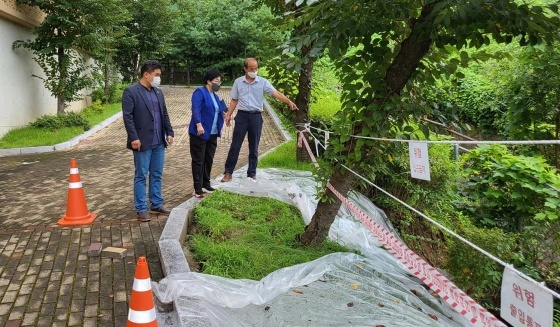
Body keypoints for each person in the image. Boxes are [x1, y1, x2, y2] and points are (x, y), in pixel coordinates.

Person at [221, 58, 298, 182]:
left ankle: (252, 173)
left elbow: (275, 93)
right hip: (242, 116)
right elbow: (234, 99)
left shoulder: (262, 82)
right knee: (235, 145)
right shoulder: (238, 82)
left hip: (256, 117)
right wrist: (229, 114)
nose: (254, 71)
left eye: (256, 68)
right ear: (245, 69)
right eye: (251, 68)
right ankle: (228, 172)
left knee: (254, 146)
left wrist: (288, 101)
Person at [122, 60, 174, 222]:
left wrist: (170, 131)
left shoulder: (158, 92)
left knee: (157, 173)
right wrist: (133, 137)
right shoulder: (131, 92)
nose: (159, 78)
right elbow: (128, 117)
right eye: (157, 75)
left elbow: (164, 113)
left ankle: (156, 203)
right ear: (146, 74)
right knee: (141, 175)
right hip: (142, 141)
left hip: (159, 141)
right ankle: (141, 208)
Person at [189, 69, 227, 198]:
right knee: (198, 160)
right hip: (200, 132)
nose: (218, 83)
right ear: (208, 81)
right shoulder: (200, 92)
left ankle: (206, 183)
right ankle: (197, 188)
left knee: (208, 159)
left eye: (219, 81)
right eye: (216, 81)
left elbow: (219, 110)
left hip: (212, 132)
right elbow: (196, 109)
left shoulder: (215, 96)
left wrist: (224, 114)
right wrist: (198, 124)